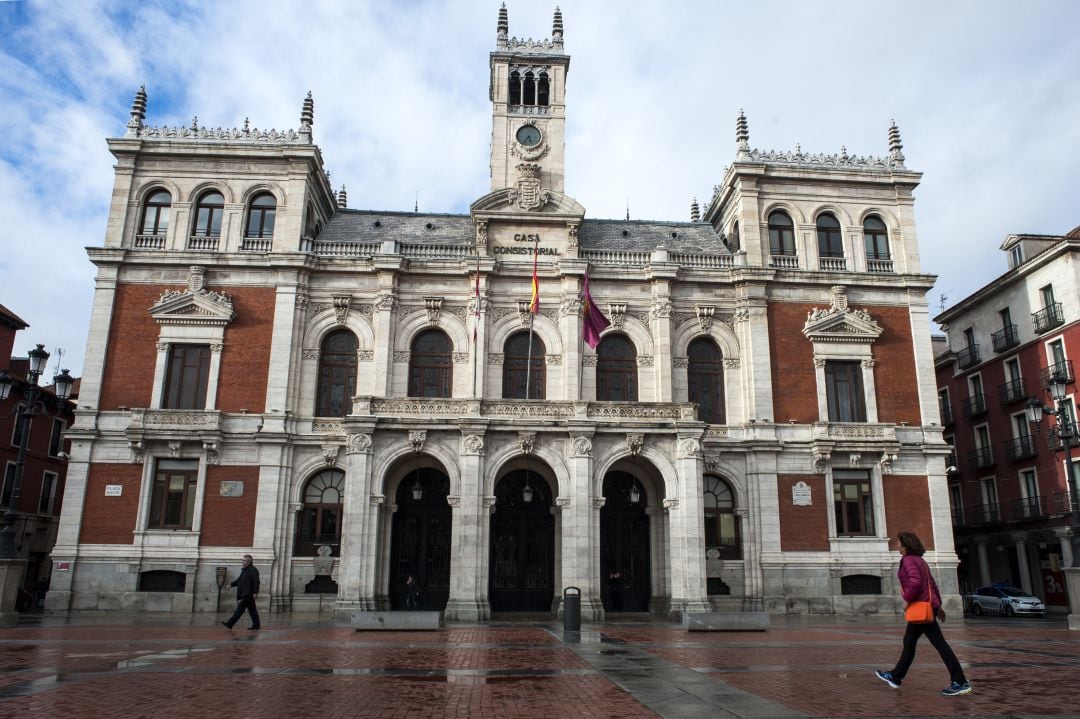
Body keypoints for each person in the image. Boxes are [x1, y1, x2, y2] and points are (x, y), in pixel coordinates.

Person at [876, 532, 970, 696]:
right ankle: (895, 676)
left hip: (920, 607)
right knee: (909, 641)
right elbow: (931, 583)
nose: (896, 545)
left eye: (898, 542)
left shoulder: (908, 560)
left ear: (905, 544)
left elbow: (915, 581)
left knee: (939, 644)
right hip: (927, 606)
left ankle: (960, 682)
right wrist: (937, 606)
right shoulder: (920, 560)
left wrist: (907, 600)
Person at [222, 554, 261, 630]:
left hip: (248, 594)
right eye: (242, 560)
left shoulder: (253, 570)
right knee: (252, 610)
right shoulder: (244, 571)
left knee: (239, 610)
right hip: (245, 593)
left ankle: (230, 623)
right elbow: (239, 580)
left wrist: (255, 592)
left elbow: (256, 582)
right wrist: (231, 584)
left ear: (248, 562)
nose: (242, 562)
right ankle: (256, 625)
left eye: (244, 560)